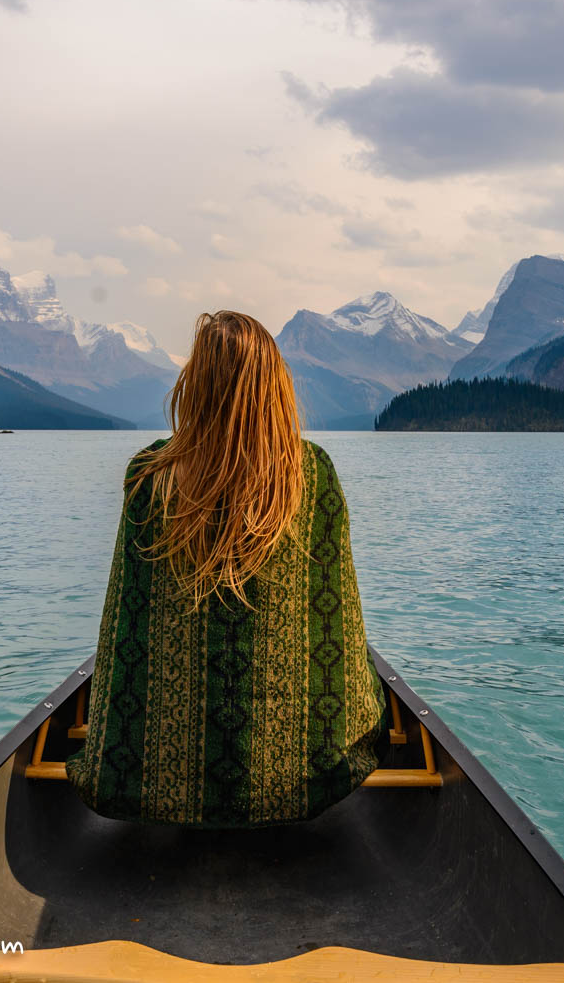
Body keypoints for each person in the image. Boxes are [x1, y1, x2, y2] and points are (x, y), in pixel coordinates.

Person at [66, 310, 387, 827]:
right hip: (306, 786)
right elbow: (341, 625)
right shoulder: (313, 473)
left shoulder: (150, 475)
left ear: (195, 385)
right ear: (276, 387)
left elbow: (124, 623)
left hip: (146, 786)